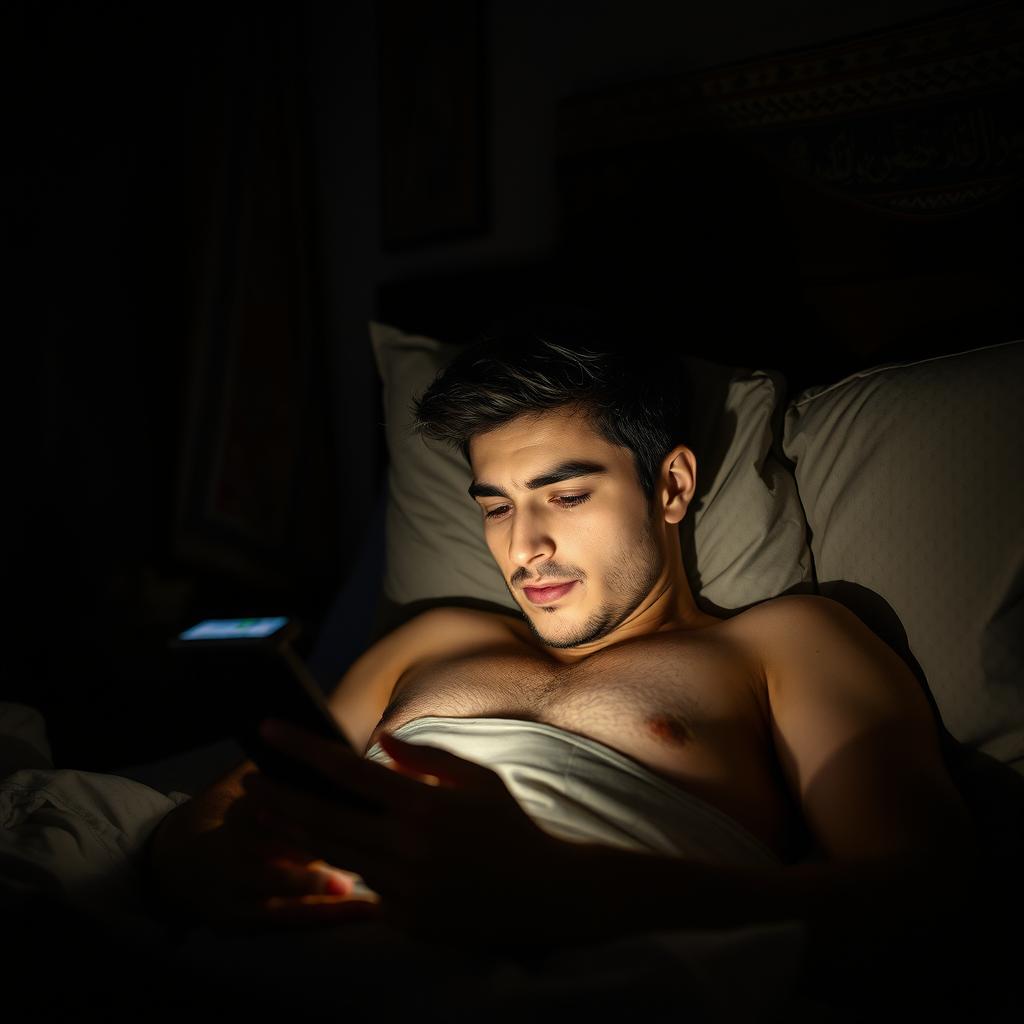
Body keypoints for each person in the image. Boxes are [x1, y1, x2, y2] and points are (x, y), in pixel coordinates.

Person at [144, 321, 978, 995]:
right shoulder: (432, 641)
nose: (524, 547)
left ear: (673, 487)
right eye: (496, 507)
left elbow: (930, 900)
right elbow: (202, 821)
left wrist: (567, 890)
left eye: (567, 496)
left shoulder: (784, 643)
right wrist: (228, 869)